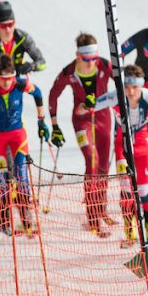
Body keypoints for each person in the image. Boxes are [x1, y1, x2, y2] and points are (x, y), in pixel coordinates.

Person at [0, 56, 48, 234]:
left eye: (9, 78)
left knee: (22, 177)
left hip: (17, 135)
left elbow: (38, 93)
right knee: (2, 182)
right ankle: (4, 222)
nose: (6, 83)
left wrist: (41, 121)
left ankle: (26, 220)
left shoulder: (20, 84)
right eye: (2, 79)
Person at [48, 33, 114, 233]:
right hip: (82, 121)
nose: (91, 62)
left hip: (103, 119)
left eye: (94, 58)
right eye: (86, 59)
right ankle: (92, 218)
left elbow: (123, 86)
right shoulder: (69, 71)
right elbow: (53, 94)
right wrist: (55, 126)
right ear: (78, 55)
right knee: (92, 161)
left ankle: (101, 210)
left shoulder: (105, 65)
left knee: (103, 167)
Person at [94, 65, 148, 244]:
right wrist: (87, 103)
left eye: (134, 87)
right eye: (127, 87)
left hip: (143, 145)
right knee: (125, 190)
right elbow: (91, 105)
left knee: (144, 190)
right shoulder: (115, 96)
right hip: (122, 147)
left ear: (141, 85)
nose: (130, 92)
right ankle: (129, 228)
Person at [0, 1, 46, 85]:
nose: (7, 30)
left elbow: (42, 63)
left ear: (14, 22)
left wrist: (31, 66)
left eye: (10, 24)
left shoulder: (23, 38)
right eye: (3, 26)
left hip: (14, 86)